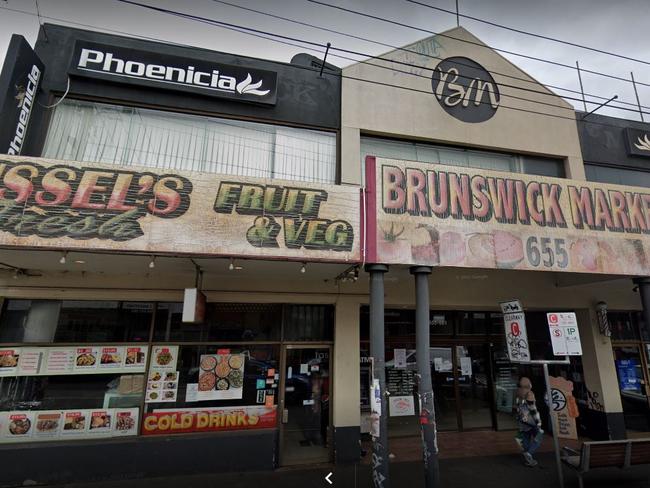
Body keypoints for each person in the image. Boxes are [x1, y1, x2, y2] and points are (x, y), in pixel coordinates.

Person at [515, 377, 544, 467]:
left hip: (523, 424)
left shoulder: (517, 395)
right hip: (532, 423)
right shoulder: (530, 394)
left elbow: (518, 410)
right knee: (539, 435)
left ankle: (529, 459)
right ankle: (529, 454)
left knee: (525, 441)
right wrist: (538, 422)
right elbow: (533, 410)